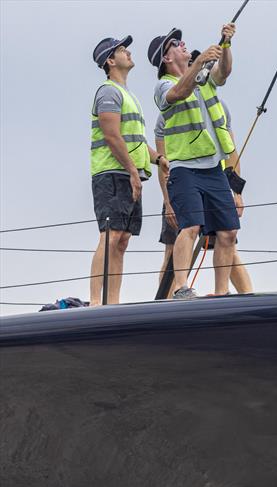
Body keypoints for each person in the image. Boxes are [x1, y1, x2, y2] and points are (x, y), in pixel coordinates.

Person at [149, 26, 239, 299]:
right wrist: (199, 62)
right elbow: (178, 92)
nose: (183, 44)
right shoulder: (163, 85)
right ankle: (181, 287)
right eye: (176, 43)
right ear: (166, 58)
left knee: (228, 231)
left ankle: (221, 292)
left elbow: (223, 74)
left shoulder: (203, 77)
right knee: (190, 226)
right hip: (184, 168)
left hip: (213, 167)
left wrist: (225, 45)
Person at [89, 35, 169, 305]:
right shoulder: (108, 91)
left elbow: (134, 140)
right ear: (111, 61)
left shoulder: (127, 95)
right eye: (123, 50)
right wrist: (134, 172)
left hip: (128, 173)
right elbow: (112, 136)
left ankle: (112, 301)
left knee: (122, 239)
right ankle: (97, 301)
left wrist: (158, 158)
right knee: (110, 236)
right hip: (111, 173)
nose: (129, 52)